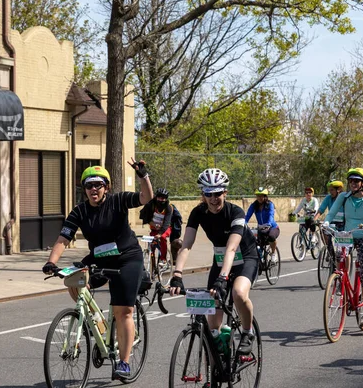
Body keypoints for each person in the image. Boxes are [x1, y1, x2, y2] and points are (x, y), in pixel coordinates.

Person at [42, 160, 153, 380]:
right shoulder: (79, 211)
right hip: (100, 259)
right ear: (84, 189)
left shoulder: (118, 201)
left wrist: (143, 176)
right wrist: (51, 262)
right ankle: (95, 324)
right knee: (74, 282)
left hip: (126, 259)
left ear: (106, 187)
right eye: (89, 185)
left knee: (124, 311)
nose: (94, 189)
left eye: (98, 184)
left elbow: (145, 198)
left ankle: (124, 362)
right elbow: (64, 239)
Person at [169, 168, 258, 355]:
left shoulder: (236, 212)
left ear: (225, 192)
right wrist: (177, 274)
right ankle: (220, 356)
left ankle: (247, 333)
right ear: (203, 194)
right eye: (208, 194)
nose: (213, 198)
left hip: (245, 257)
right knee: (212, 321)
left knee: (238, 293)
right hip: (220, 260)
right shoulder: (198, 212)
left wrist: (223, 278)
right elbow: (186, 245)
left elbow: (232, 248)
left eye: (217, 193)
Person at [324, 168, 363, 327]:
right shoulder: (343, 196)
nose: (353, 184)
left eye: (356, 181)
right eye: (350, 181)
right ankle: (342, 282)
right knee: (340, 259)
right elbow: (331, 213)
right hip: (348, 235)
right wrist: (326, 223)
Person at [139, 188, 175, 265]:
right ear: (156, 197)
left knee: (162, 238)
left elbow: (167, 222)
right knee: (151, 245)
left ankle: (163, 259)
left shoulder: (169, 207)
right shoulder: (151, 205)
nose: (162, 200)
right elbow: (147, 218)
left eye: (164, 198)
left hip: (165, 229)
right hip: (154, 229)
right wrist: (154, 224)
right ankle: (153, 266)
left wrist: (160, 233)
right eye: (160, 197)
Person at [244, 187, 280, 262]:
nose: (259, 198)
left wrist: (269, 224)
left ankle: (273, 254)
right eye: (258, 196)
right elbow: (247, 216)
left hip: (272, 227)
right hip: (261, 228)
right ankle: (260, 259)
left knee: (271, 237)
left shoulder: (270, 204)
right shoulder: (254, 205)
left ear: (265, 196)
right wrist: (243, 224)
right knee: (255, 241)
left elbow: (271, 215)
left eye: (261, 196)